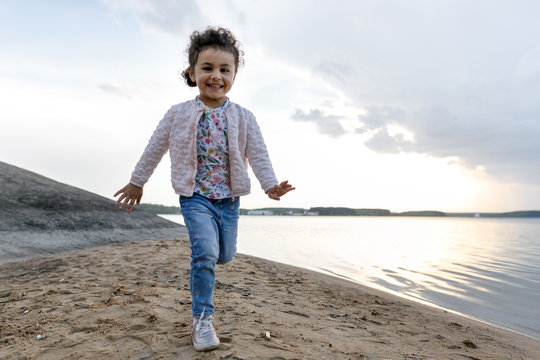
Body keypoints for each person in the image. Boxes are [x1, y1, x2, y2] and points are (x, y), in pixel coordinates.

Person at [114, 27, 295, 352]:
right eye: (208, 68)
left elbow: (258, 154)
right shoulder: (178, 113)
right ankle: (202, 322)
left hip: (229, 201)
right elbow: (154, 148)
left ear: (235, 75)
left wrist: (271, 186)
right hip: (194, 197)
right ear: (192, 72)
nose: (216, 76)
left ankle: (209, 266)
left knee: (225, 255)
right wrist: (137, 181)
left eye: (225, 69)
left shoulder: (243, 117)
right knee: (206, 254)